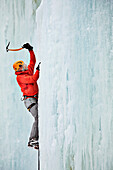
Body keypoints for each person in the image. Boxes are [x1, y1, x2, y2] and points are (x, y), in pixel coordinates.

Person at [13, 43, 40, 149]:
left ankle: (35, 139)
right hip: (29, 100)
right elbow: (33, 79)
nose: (25, 66)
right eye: (22, 65)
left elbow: (32, 62)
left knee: (38, 117)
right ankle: (32, 139)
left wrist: (30, 50)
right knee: (37, 117)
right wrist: (38, 71)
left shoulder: (27, 72)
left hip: (34, 99)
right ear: (18, 69)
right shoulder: (20, 78)